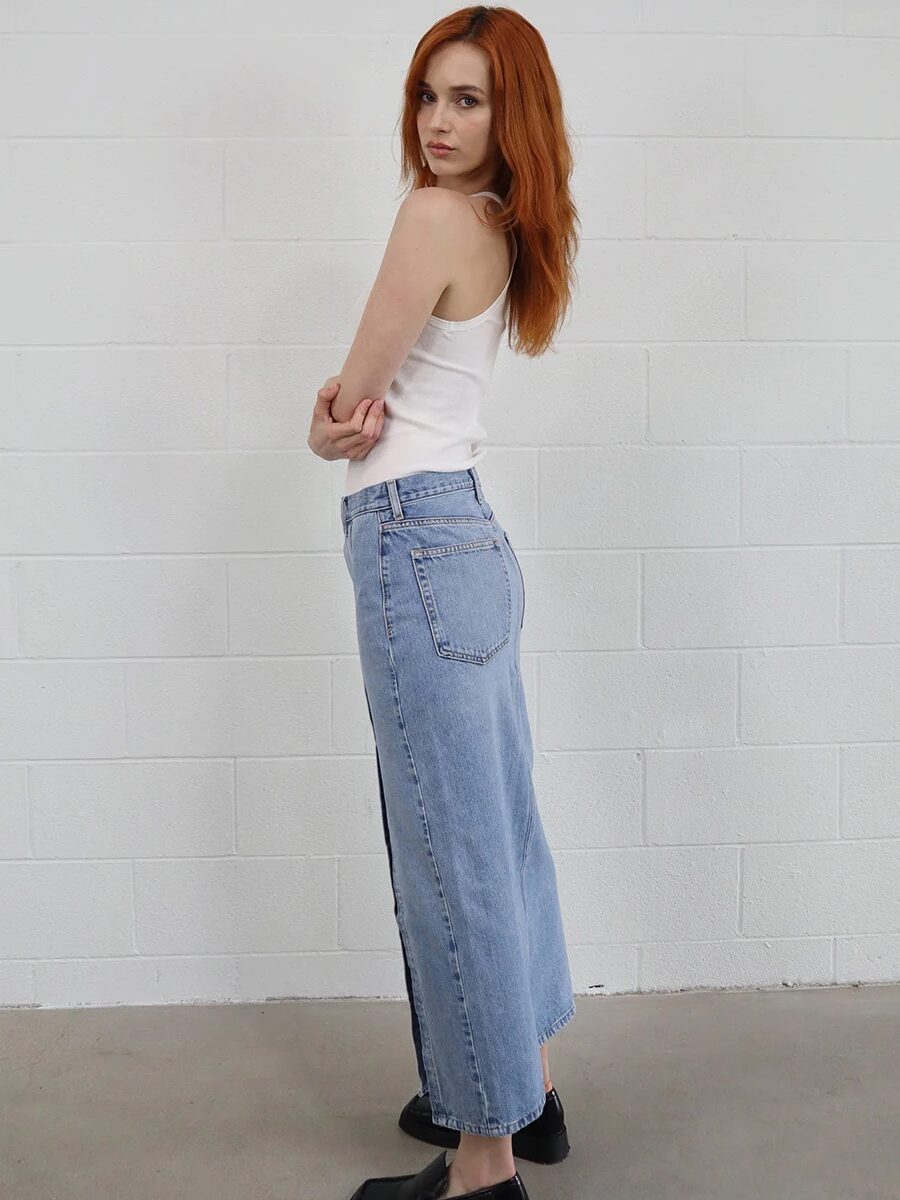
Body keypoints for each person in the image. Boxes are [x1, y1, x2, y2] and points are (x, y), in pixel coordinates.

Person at [308, 8, 580, 1198]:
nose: (440, 122)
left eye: (468, 99)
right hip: (467, 536)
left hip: (415, 537)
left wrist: (325, 421)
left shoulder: (431, 215)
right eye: (430, 96)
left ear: (511, 110)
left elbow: (350, 401)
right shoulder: (507, 224)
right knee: (500, 832)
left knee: (453, 848)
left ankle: (485, 1165)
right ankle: (530, 1084)